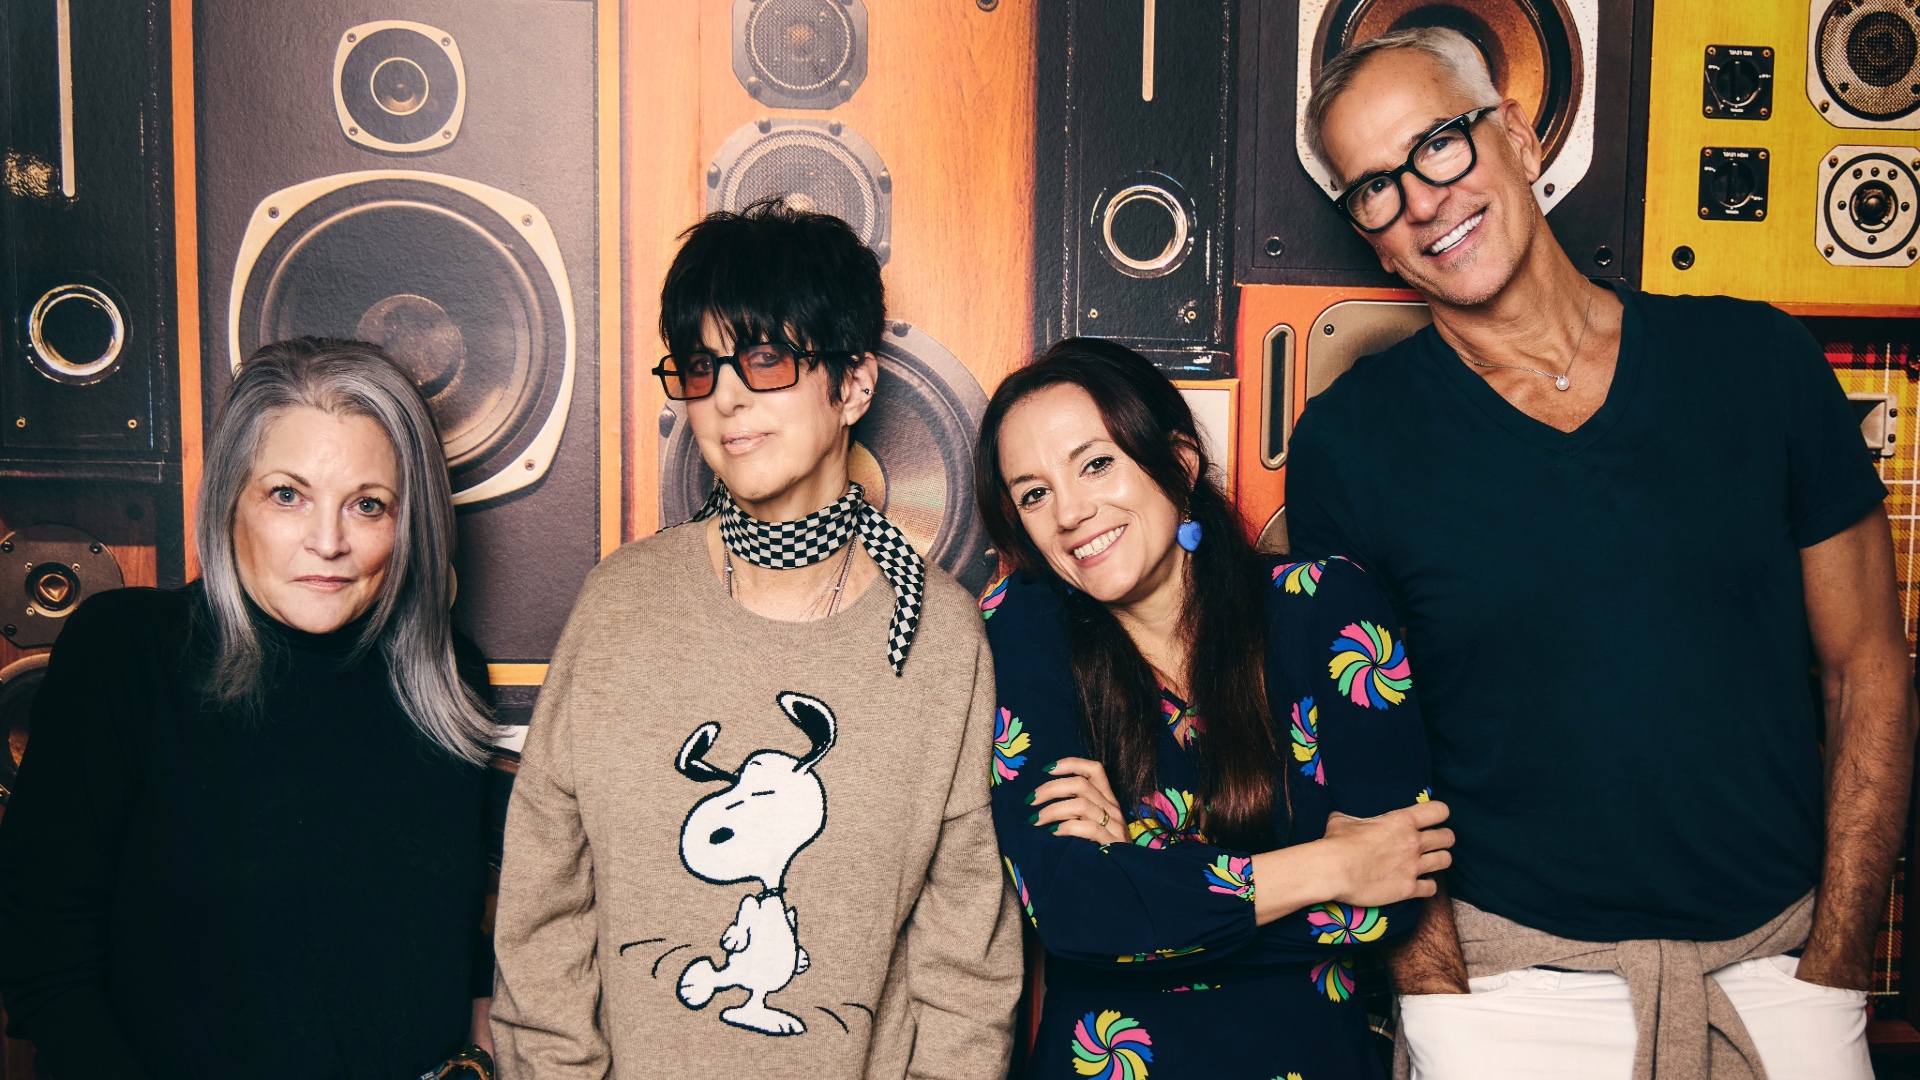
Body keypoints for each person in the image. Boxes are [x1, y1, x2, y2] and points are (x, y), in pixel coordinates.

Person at [1289, 27, 1916, 1080]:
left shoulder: (1757, 362)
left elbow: (1871, 670)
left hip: (1776, 980)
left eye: (1439, 144)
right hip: (1509, 995)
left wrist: (1837, 968)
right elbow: (1356, 749)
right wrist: (1441, 1002)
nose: (1422, 199)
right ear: (1371, 238)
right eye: (1374, 189)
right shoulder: (1351, 446)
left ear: (1520, 137)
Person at [488, 199, 1021, 1079]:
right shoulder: (619, 606)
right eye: (702, 367)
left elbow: (966, 952)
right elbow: (544, 899)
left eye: (766, 358)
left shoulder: (940, 633)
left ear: (854, 383)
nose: (727, 396)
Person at [0, 338, 499, 1078]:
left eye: (367, 505)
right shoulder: (126, 655)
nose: (328, 543)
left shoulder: (444, 676)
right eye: (287, 495)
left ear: (409, 523)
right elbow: (43, 953)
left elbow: (457, 943)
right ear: (232, 498)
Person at [976, 337, 1455, 1079]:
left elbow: (1389, 902)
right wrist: (1331, 863)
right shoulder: (1023, 624)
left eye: (1095, 462)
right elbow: (1076, 913)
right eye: (1033, 492)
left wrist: (1141, 872)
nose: (1069, 512)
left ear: (1179, 462)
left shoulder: (1327, 605)